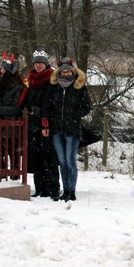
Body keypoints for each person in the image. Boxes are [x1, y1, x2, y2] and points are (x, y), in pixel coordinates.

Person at [43, 57, 92, 202]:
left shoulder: (79, 87)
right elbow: (47, 106)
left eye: (68, 71)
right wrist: (48, 122)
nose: (65, 74)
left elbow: (87, 106)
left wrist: (74, 115)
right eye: (63, 72)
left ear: (72, 72)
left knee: (70, 161)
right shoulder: (54, 87)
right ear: (59, 72)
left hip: (72, 129)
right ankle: (65, 190)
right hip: (57, 128)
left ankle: (72, 190)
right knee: (62, 161)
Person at [23, 50, 61, 198]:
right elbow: (26, 99)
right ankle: (40, 188)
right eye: (36, 63)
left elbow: (53, 103)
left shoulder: (52, 80)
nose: (38, 65)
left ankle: (53, 188)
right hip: (33, 123)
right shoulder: (30, 80)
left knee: (49, 157)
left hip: (47, 123)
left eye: (41, 63)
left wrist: (44, 116)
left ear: (46, 64)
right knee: (35, 156)